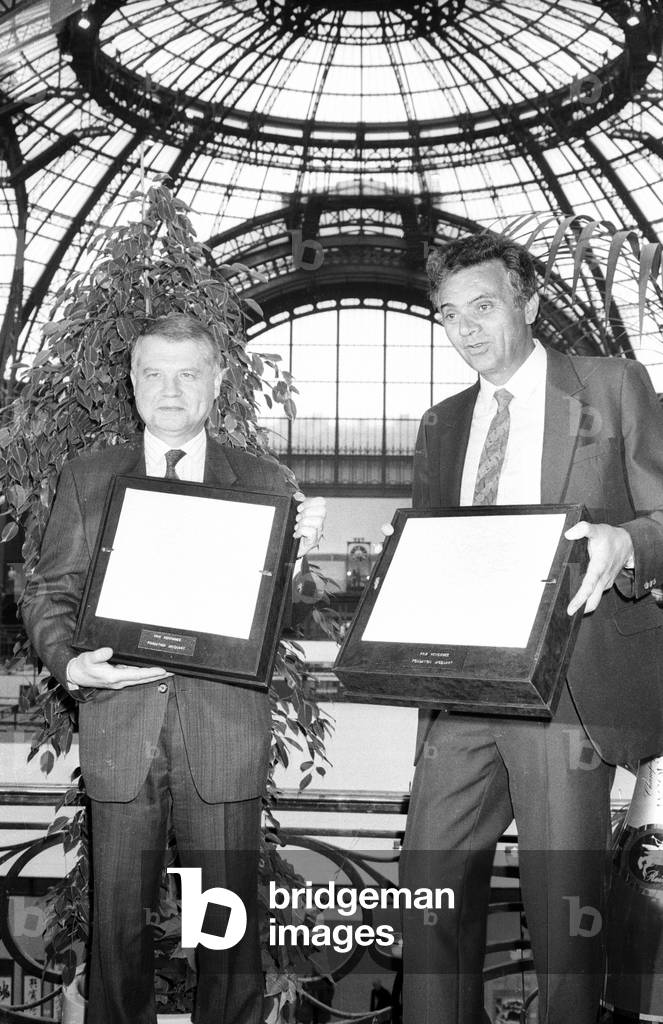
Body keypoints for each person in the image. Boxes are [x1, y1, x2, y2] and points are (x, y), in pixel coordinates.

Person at [21, 312, 327, 1024]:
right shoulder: (89, 476)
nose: (169, 389)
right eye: (152, 373)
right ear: (132, 384)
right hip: (119, 723)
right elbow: (50, 590)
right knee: (117, 931)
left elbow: (284, 613)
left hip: (221, 731)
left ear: (217, 383)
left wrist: (298, 557)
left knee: (222, 930)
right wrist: (71, 666)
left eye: (188, 373)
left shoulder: (263, 479)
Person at [399, 234, 663, 1024]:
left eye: (482, 307)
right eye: (448, 315)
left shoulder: (612, 387)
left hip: (566, 687)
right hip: (463, 687)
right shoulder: (440, 424)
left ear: (530, 304)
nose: (465, 330)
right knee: (428, 894)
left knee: (563, 918)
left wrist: (627, 542)